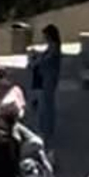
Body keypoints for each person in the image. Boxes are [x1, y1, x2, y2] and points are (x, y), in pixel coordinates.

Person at [29, 24, 63, 152]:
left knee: (47, 105)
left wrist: (35, 61)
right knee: (45, 104)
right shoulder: (52, 46)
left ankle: (46, 130)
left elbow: (46, 61)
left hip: (49, 79)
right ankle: (46, 129)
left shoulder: (54, 47)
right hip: (46, 78)